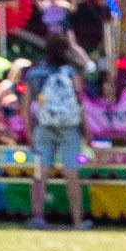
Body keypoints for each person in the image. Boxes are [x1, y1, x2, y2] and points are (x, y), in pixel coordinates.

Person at [24, 42, 93, 227]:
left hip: (44, 126)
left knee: (41, 171)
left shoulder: (34, 74)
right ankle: (77, 221)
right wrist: (87, 130)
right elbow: (80, 104)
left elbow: (26, 107)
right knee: (71, 172)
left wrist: (29, 132)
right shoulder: (71, 73)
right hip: (69, 127)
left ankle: (38, 217)